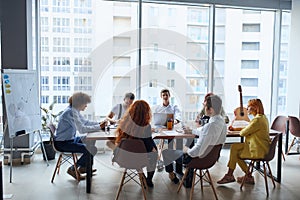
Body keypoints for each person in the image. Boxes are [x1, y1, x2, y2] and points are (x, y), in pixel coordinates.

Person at [162, 95, 227, 184]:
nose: (204, 108)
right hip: (211, 159)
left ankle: (173, 173)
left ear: (210, 109)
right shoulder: (221, 122)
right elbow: (205, 133)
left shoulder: (209, 126)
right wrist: (191, 131)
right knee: (183, 145)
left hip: (198, 159)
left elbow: (195, 152)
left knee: (166, 151)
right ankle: (182, 175)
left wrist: (186, 149)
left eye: (205, 106)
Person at [217, 98, 270, 185]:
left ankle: (233, 175)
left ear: (255, 108)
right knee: (235, 147)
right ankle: (243, 176)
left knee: (235, 153)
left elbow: (243, 133)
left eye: (248, 107)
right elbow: (249, 128)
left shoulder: (257, 120)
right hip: (260, 146)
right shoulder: (262, 118)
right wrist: (235, 129)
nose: (246, 109)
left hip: (258, 149)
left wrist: (239, 129)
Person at [54, 92, 101, 180]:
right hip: (63, 143)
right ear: (79, 103)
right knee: (91, 149)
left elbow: (85, 122)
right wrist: (99, 127)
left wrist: (100, 123)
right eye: (85, 103)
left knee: (90, 141)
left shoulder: (74, 110)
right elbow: (82, 129)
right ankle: (73, 169)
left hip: (69, 139)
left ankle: (84, 167)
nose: (86, 106)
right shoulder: (70, 112)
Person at [115, 100, 158, 188]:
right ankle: (148, 179)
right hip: (140, 159)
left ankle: (144, 178)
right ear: (146, 112)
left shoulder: (124, 123)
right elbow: (149, 146)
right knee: (154, 153)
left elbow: (120, 142)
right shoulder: (146, 126)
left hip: (123, 158)